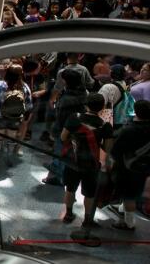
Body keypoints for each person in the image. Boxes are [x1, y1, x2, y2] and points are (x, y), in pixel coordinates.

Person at [61, 92, 114, 227]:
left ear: (86, 104)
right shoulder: (105, 125)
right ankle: (87, 220)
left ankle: (68, 214)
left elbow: (63, 137)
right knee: (89, 193)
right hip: (91, 164)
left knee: (70, 188)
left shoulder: (74, 118)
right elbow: (108, 147)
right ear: (102, 108)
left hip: (73, 160)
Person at [108, 99, 150, 231]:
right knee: (134, 190)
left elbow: (116, 151)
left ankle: (129, 223)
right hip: (144, 165)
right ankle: (123, 209)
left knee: (129, 194)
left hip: (127, 166)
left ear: (136, 112)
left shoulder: (129, 130)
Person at [0, 63, 32, 166]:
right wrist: (25, 117)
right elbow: (28, 104)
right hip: (16, 117)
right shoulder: (24, 86)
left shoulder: (1, 84)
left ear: (8, 73)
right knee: (12, 137)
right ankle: (9, 160)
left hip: (0, 116)